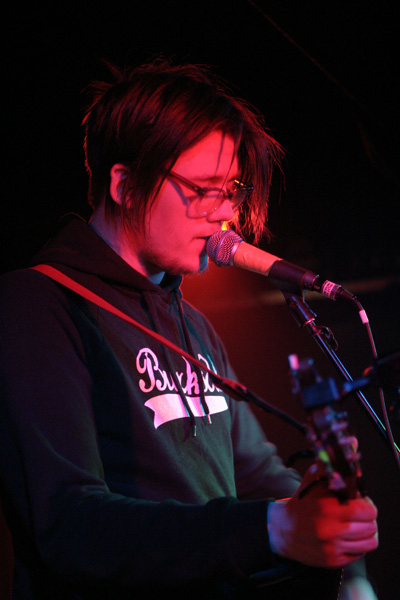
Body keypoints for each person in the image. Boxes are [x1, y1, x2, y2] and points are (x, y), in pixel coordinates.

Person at [0, 59, 378, 599]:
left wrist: (337, 544)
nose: (225, 215)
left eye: (232, 190)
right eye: (203, 188)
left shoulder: (195, 327)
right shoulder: (37, 304)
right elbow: (69, 525)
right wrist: (274, 529)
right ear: (125, 185)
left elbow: (256, 472)